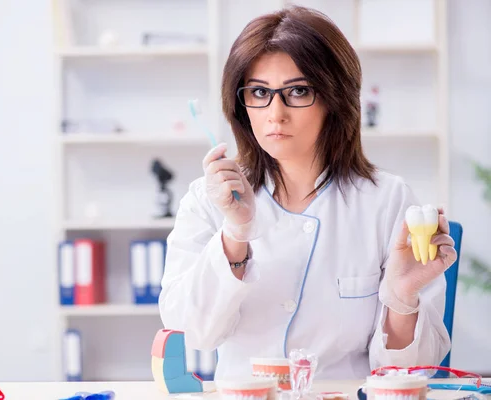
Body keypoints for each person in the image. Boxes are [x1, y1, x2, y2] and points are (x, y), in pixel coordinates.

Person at [158, 6, 456, 380]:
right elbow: (194, 332)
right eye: (259, 92)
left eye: (298, 91)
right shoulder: (209, 198)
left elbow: (408, 374)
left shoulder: (389, 201)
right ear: (240, 103)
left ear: (335, 98)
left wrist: (402, 299)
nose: (275, 113)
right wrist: (234, 235)